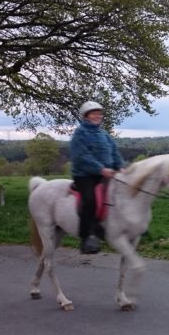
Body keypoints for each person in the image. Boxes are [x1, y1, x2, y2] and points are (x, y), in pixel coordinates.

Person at [70, 101, 125, 254]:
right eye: (93, 113)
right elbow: (81, 157)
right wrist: (100, 169)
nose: (97, 116)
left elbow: (114, 151)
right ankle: (86, 237)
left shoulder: (104, 134)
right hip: (84, 175)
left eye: (99, 113)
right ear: (86, 116)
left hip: (105, 173)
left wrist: (120, 166)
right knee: (90, 200)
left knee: (121, 193)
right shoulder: (80, 133)